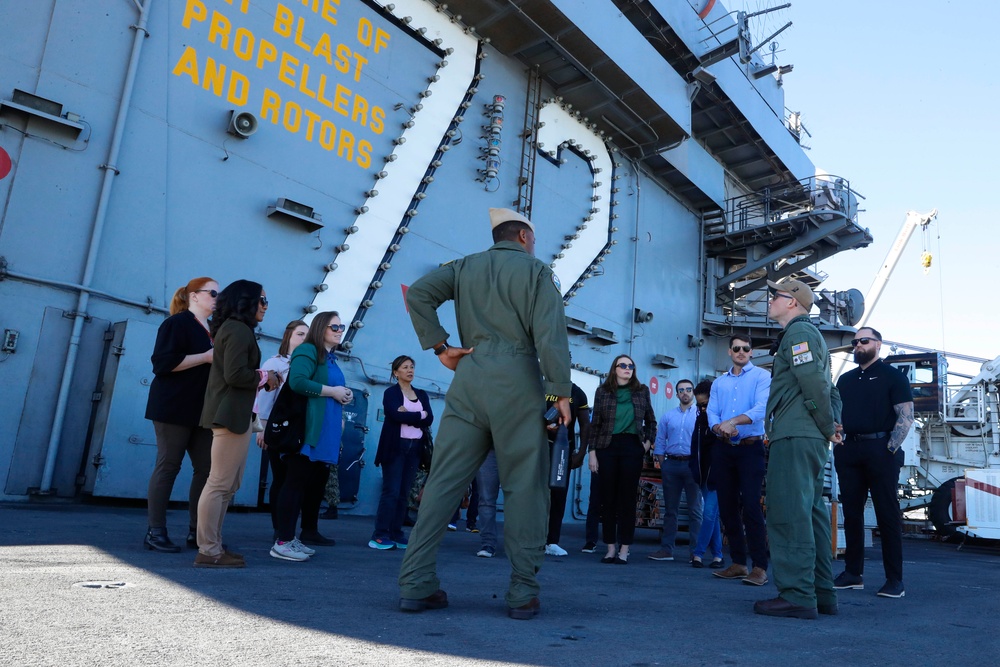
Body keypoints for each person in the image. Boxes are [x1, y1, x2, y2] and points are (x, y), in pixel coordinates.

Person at [397, 207, 571, 621]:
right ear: (525, 237)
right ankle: (521, 591)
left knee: (443, 482)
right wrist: (560, 391)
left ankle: (414, 584)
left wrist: (441, 347)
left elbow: (418, 293)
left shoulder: (463, 267)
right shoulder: (537, 273)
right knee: (525, 486)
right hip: (518, 380)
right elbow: (550, 335)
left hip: (469, 377)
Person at [754, 277, 842, 619]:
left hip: (795, 435)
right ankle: (821, 593)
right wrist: (832, 425)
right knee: (811, 514)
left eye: (774, 296)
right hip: (808, 436)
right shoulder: (809, 336)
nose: (769, 301)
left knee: (788, 513)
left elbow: (816, 385)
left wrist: (825, 426)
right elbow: (830, 390)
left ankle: (797, 595)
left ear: (792, 302)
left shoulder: (799, 334)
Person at [196, 280, 280, 568]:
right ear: (247, 301)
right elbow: (235, 375)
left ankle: (214, 547)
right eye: (263, 301)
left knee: (228, 485)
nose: (266, 307)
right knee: (220, 484)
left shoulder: (234, 329)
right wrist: (264, 377)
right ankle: (208, 550)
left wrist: (259, 378)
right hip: (230, 415)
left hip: (235, 415)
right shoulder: (237, 329)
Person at [834, 327, 914, 599]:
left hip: (881, 450)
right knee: (852, 514)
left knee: (887, 514)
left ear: (878, 345)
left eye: (863, 341)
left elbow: (906, 417)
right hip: (848, 450)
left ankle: (895, 580)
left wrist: (889, 449)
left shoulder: (893, 376)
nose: (858, 345)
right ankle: (852, 574)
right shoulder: (844, 380)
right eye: (855, 342)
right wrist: (837, 435)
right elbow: (837, 415)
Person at [143, 277, 217, 552]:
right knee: (169, 465)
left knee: (208, 470)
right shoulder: (176, 323)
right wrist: (205, 357)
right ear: (193, 296)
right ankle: (155, 531)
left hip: (202, 410)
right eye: (212, 293)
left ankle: (196, 532)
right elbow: (162, 364)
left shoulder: (214, 329)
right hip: (173, 407)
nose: (216, 298)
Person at [270, 311, 349, 561]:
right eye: (334, 326)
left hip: (323, 431)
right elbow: (298, 382)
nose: (339, 330)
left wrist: (343, 394)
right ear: (320, 328)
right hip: (306, 430)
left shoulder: (331, 358)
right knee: (294, 482)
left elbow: (331, 390)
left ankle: (292, 539)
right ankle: (282, 541)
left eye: (341, 326)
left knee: (306, 485)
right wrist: (333, 391)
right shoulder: (308, 351)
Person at [708, 334, 771, 587]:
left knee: (752, 507)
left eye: (746, 348)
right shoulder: (718, 383)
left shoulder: (762, 377)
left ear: (752, 352)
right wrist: (719, 428)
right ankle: (737, 563)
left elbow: (761, 409)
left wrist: (732, 422)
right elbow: (712, 411)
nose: (742, 352)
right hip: (723, 448)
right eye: (737, 348)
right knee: (727, 506)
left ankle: (759, 567)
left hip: (750, 448)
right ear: (729, 352)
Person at [588, 355, 657, 565]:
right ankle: (610, 548)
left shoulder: (642, 390)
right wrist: (592, 453)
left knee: (627, 500)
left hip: (631, 447)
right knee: (607, 499)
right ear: (615, 369)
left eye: (631, 366)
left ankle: (624, 549)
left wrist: (645, 445)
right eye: (623, 365)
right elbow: (596, 424)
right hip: (607, 447)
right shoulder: (603, 391)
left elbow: (651, 421)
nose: (628, 369)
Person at [369, 355, 434, 550]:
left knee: (404, 493)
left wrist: (409, 414)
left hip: (415, 449)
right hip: (395, 448)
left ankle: (396, 533)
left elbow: (429, 418)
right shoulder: (391, 393)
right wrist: (417, 415)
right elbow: (395, 415)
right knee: (391, 491)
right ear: (396, 372)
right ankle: (379, 535)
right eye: (405, 367)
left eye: (412, 367)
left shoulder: (421, 394)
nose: (410, 370)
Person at [254, 319, 308, 538]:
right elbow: (265, 397)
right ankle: (280, 528)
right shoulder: (275, 364)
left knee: (296, 480)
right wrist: (262, 427)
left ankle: (289, 528)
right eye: (300, 334)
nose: (304, 339)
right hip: (278, 428)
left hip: (300, 429)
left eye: (307, 335)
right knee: (280, 478)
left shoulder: (307, 364)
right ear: (289, 336)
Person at [649, 378, 703, 563]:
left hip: (692, 466)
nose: (685, 393)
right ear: (676, 393)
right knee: (670, 510)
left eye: (688, 389)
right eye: (681, 390)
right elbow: (661, 440)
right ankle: (666, 550)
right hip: (671, 465)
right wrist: (663, 463)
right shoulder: (668, 416)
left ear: (693, 392)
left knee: (695, 509)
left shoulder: (701, 415)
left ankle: (696, 552)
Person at [544, 382, 591, 556]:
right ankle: (532, 539)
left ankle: (552, 542)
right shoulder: (540, 386)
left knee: (559, 495)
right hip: (539, 448)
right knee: (534, 494)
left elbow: (585, 424)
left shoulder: (578, 392)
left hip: (562, 450)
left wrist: (581, 453)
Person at [689, 379, 724, 568]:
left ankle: (699, 553)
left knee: (709, 514)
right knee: (712, 515)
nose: (702, 409)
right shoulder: (701, 420)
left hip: (716, 475)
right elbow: (695, 447)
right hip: (703, 474)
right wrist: (694, 469)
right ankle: (718, 554)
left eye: (705, 405)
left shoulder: (722, 420)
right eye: (699, 405)